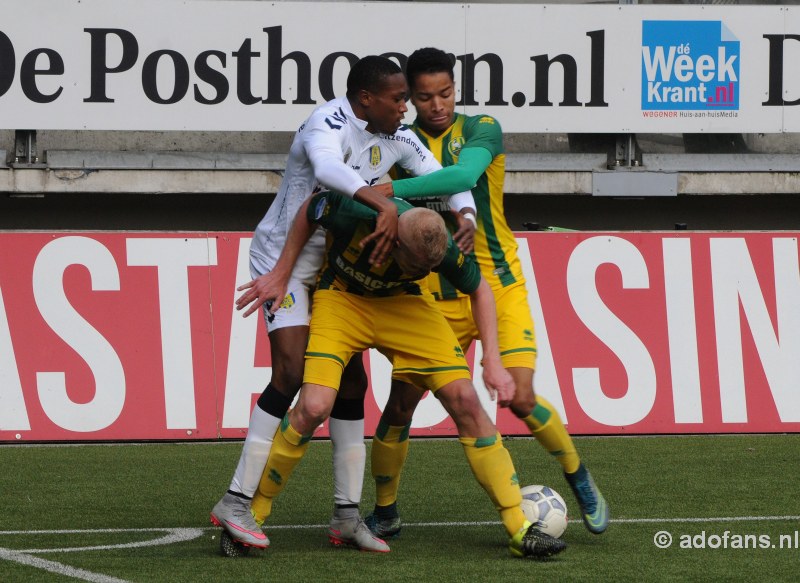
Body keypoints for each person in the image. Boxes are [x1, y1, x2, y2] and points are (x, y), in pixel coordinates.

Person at [210, 55, 476, 553]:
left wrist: (465, 213)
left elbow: (444, 175)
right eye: (398, 99)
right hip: (283, 260)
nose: (407, 108)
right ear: (364, 100)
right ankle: (236, 500)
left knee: (353, 381)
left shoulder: (397, 132)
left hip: (336, 268)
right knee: (291, 374)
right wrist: (381, 202)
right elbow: (328, 171)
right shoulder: (326, 122)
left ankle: (347, 515)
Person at [363, 47, 610, 540]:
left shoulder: (482, 129)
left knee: (518, 396)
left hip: (496, 280)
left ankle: (577, 475)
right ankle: (386, 508)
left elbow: (461, 178)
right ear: (409, 98)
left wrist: (392, 192)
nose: (439, 105)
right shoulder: (396, 143)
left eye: (447, 94)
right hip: (433, 295)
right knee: (400, 406)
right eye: (427, 97)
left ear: (457, 90)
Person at [244, 189, 567, 559]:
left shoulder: (436, 250)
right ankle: (254, 512)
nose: (427, 271)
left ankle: (518, 528)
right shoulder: (350, 211)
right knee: (314, 406)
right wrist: (283, 270)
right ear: (393, 237)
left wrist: (492, 358)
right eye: (417, 265)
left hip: (406, 304)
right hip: (342, 299)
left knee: (465, 399)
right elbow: (308, 208)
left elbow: (481, 290)